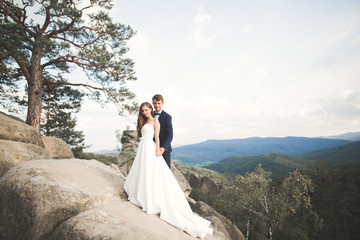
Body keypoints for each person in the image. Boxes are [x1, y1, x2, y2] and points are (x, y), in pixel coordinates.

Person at [123, 102, 213, 239]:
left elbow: (157, 137)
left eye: (146, 110)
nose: (145, 112)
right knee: (142, 170)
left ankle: (149, 197)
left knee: (150, 172)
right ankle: (138, 190)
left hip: (151, 148)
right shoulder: (144, 121)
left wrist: (159, 150)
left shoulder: (155, 121)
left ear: (151, 109)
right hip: (143, 147)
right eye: (143, 111)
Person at [152, 94, 173, 168]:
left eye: (159, 103)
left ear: (162, 103)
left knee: (166, 171)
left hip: (164, 150)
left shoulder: (167, 117)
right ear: (152, 103)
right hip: (152, 148)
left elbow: (170, 135)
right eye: (155, 103)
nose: (157, 105)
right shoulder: (150, 115)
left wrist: (163, 148)